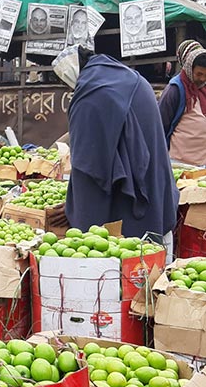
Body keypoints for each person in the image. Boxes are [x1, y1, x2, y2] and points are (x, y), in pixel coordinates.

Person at [51, 45, 178, 257]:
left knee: (131, 278)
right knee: (154, 279)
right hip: (158, 198)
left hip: (130, 230)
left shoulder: (92, 95)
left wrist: (75, 211)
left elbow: (89, 167)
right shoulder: (124, 77)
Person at [159, 40, 206, 165]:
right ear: (190, 69)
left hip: (203, 163)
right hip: (179, 163)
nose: (202, 79)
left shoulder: (204, 88)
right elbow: (161, 125)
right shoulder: (175, 90)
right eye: (199, 74)